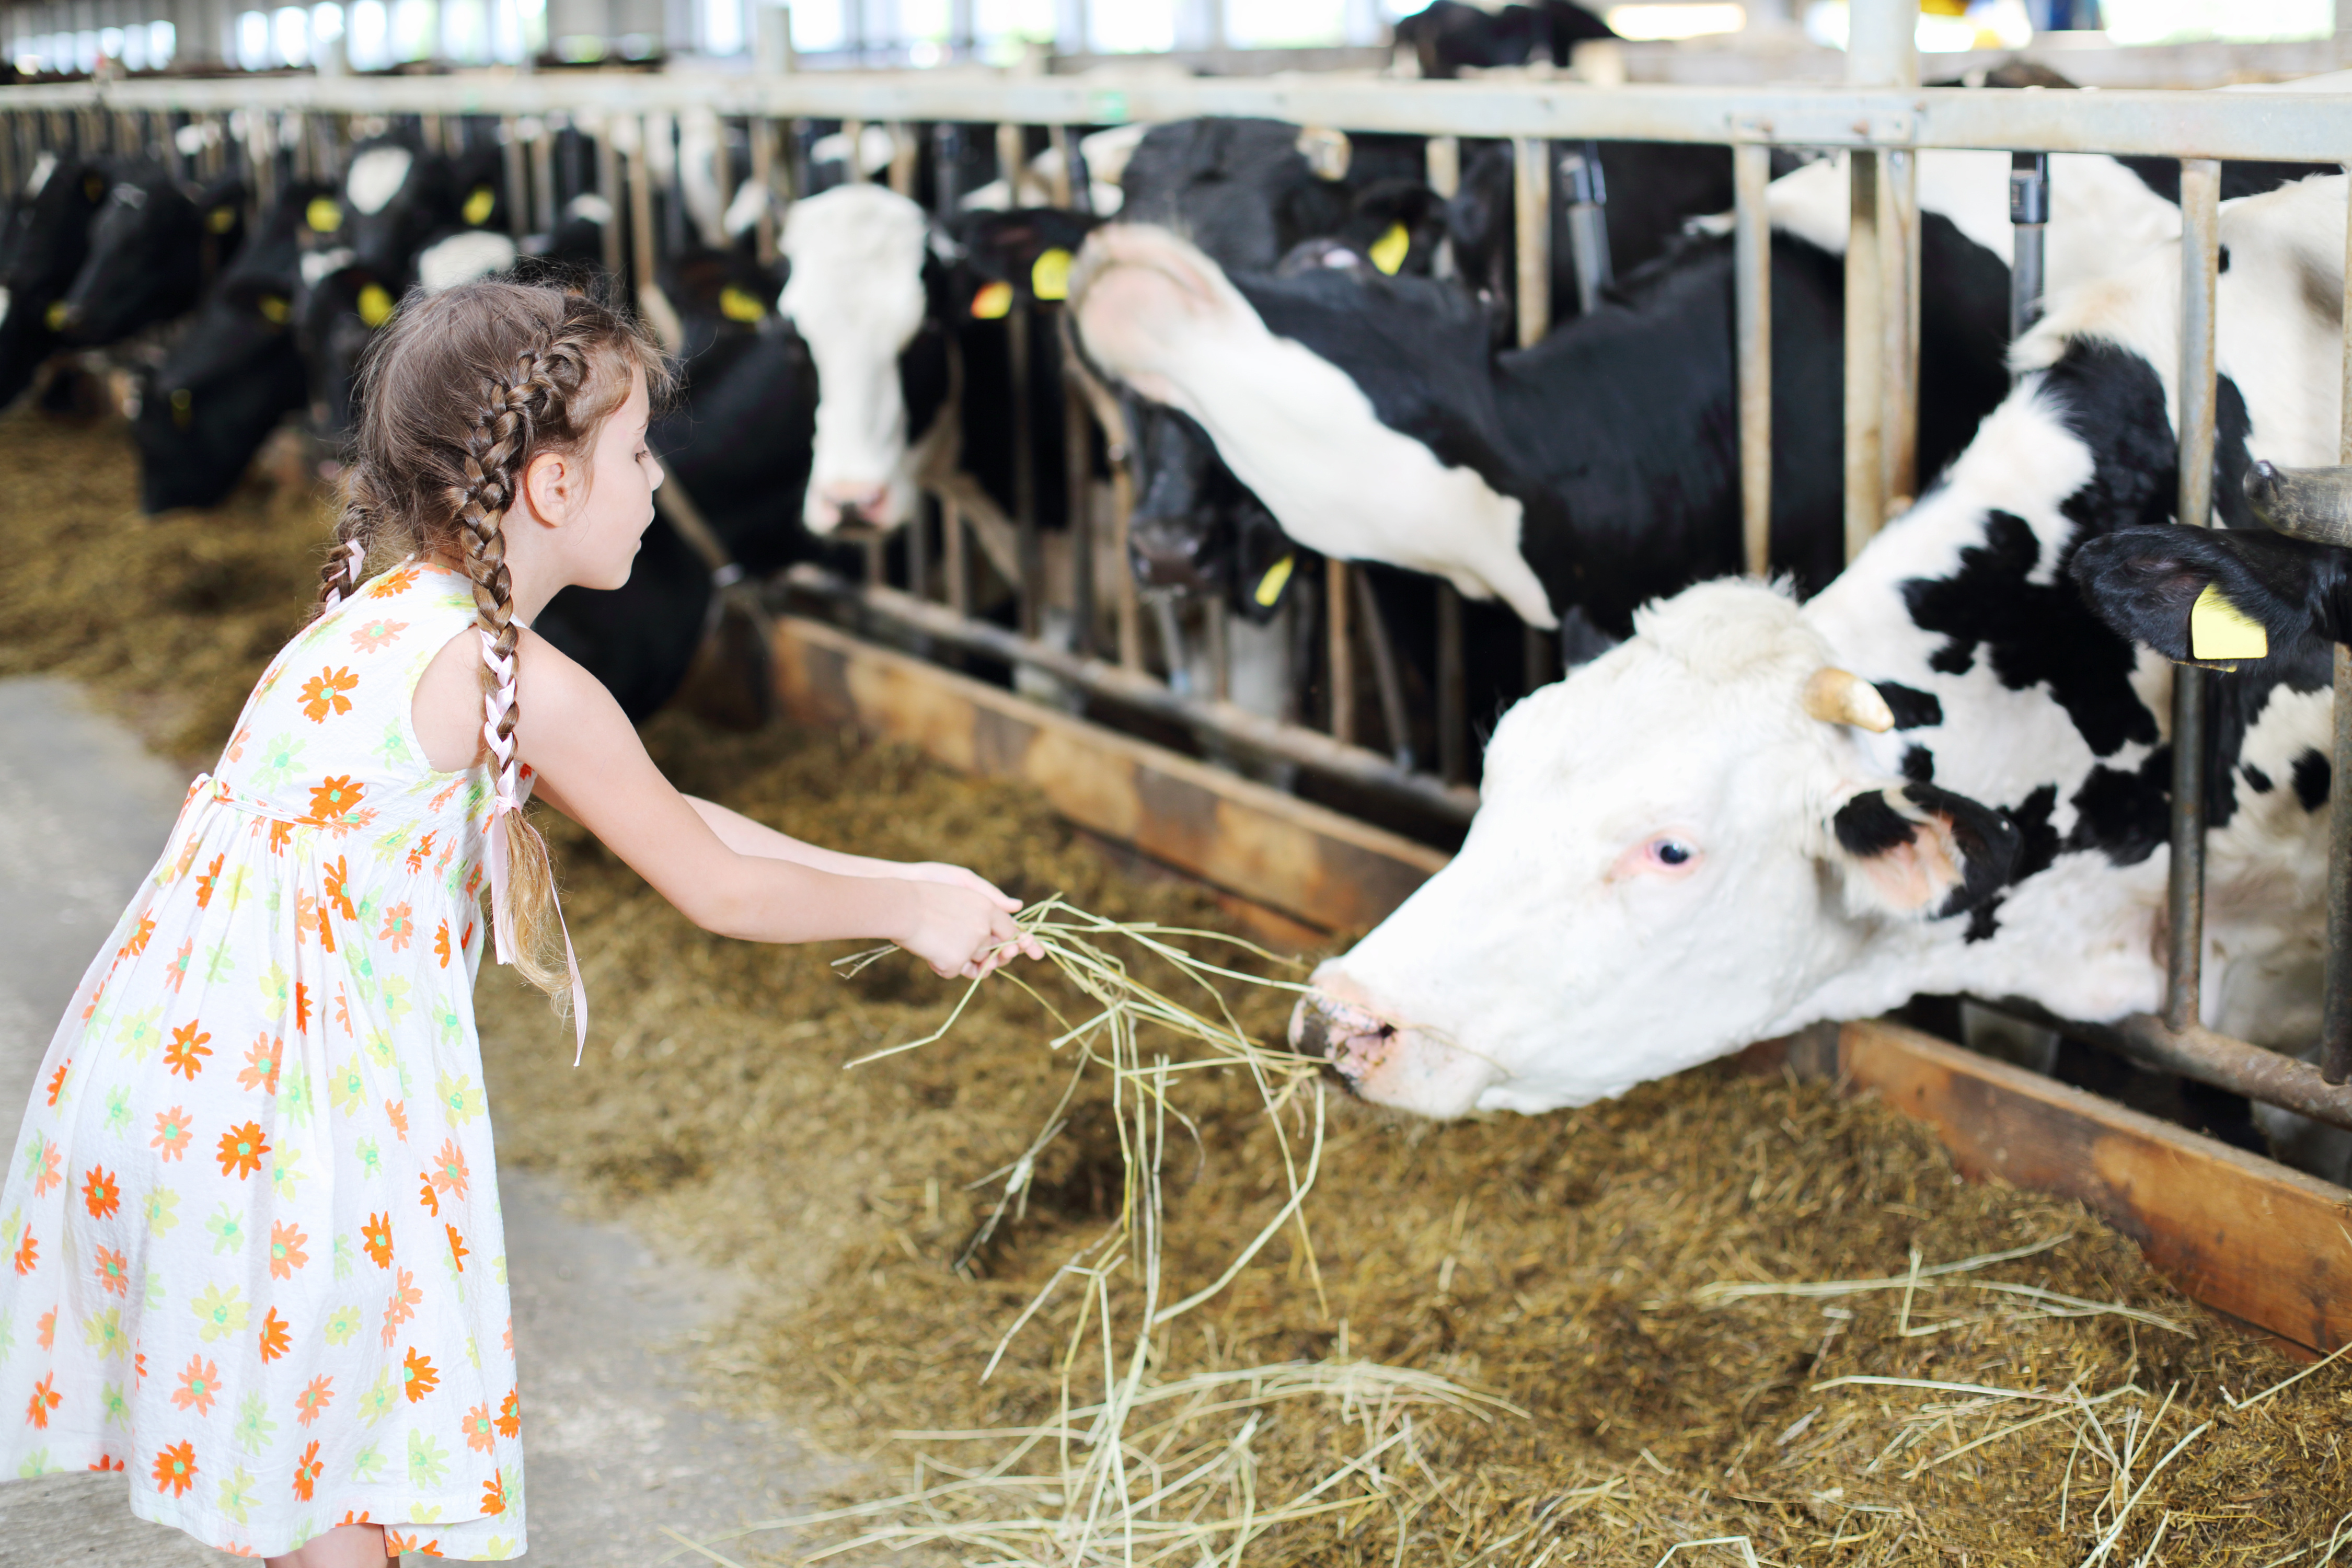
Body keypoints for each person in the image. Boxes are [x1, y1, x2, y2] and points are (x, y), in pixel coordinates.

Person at [0, 277, 1041, 1563]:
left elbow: (670, 812)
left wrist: (911, 883)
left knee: (312, 1500)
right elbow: (709, 884)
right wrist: (901, 907)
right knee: (348, 1498)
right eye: (638, 451)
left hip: (170, 1102)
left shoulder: (372, 621)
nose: (660, 481)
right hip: (290, 1140)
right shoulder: (522, 680)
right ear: (552, 487)